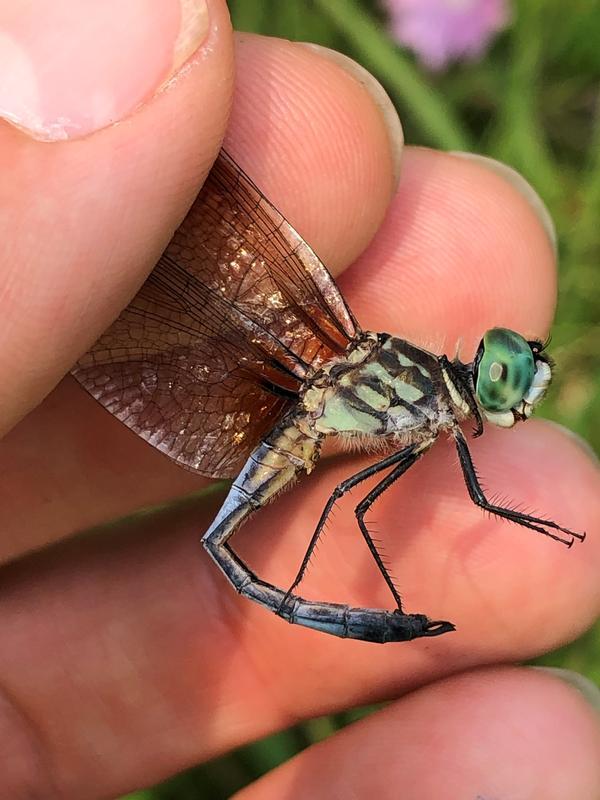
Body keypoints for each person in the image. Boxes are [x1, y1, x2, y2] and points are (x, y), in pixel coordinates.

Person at [0, 1, 599, 797]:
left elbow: (356, 504)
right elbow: (443, 503)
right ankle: (301, 592)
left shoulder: (428, 410)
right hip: (292, 411)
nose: (510, 388)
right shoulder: (416, 398)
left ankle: (330, 596)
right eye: (506, 375)